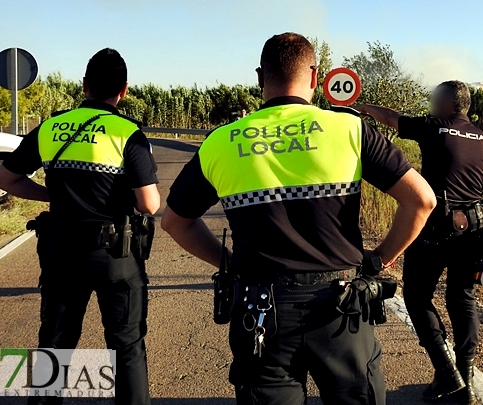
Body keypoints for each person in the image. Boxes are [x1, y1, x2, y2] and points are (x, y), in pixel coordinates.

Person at [161, 32, 436, 405]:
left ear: (260, 78)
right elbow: (421, 201)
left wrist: (229, 262)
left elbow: (175, 222)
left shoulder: (220, 142)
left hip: (260, 311)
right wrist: (378, 259)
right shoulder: (350, 130)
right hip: (341, 310)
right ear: (315, 75)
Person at [0, 48, 161, 405]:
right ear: (124, 90)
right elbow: (149, 204)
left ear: (84, 86)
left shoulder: (51, 127)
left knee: (54, 341)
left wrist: (51, 194)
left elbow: (4, 178)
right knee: (126, 344)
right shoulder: (128, 133)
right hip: (115, 253)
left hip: (61, 249)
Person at [355, 81, 483, 404]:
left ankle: (447, 372)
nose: (430, 104)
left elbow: (394, 119)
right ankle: (465, 380)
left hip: (432, 231)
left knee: (416, 298)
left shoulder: (435, 128)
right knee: (462, 299)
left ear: (447, 104)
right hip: (473, 234)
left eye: (433, 99)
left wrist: (366, 109)